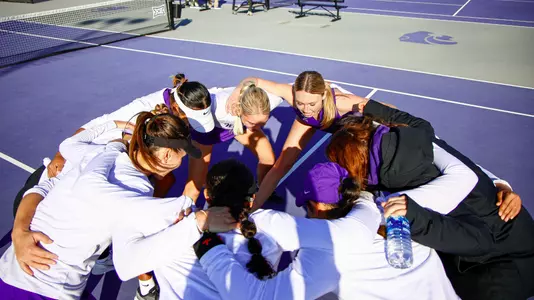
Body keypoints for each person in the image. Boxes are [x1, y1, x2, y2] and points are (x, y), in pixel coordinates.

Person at [1, 113, 236, 300]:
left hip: (11, 268)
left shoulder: (96, 153)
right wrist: (197, 221)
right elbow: (126, 264)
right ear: (165, 155)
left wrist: (19, 231)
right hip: (43, 289)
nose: (180, 163)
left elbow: (44, 185)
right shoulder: (135, 188)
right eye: (181, 156)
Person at [328, 99, 534, 299]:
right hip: (516, 233)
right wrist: (371, 108)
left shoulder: (417, 191)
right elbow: (414, 124)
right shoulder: (416, 138)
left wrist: (406, 212)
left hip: (501, 270)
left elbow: (475, 238)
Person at [193, 158, 474, 299]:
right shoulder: (399, 207)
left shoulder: (324, 257)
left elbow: (256, 297)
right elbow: (464, 177)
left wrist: (208, 246)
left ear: (317, 206)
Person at [111, 159, 283, 299]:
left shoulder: (172, 224)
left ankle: (147, 289)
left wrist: (192, 222)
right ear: (252, 199)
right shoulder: (273, 235)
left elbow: (126, 262)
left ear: (207, 194)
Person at [224, 71, 379, 210]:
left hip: (346, 130)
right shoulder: (291, 95)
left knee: (357, 168)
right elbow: (254, 80)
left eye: (312, 103)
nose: (306, 109)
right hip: (308, 122)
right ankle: (255, 206)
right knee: (282, 164)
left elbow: (386, 109)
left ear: (323, 96)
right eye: (300, 103)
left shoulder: (342, 102)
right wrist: (237, 92)